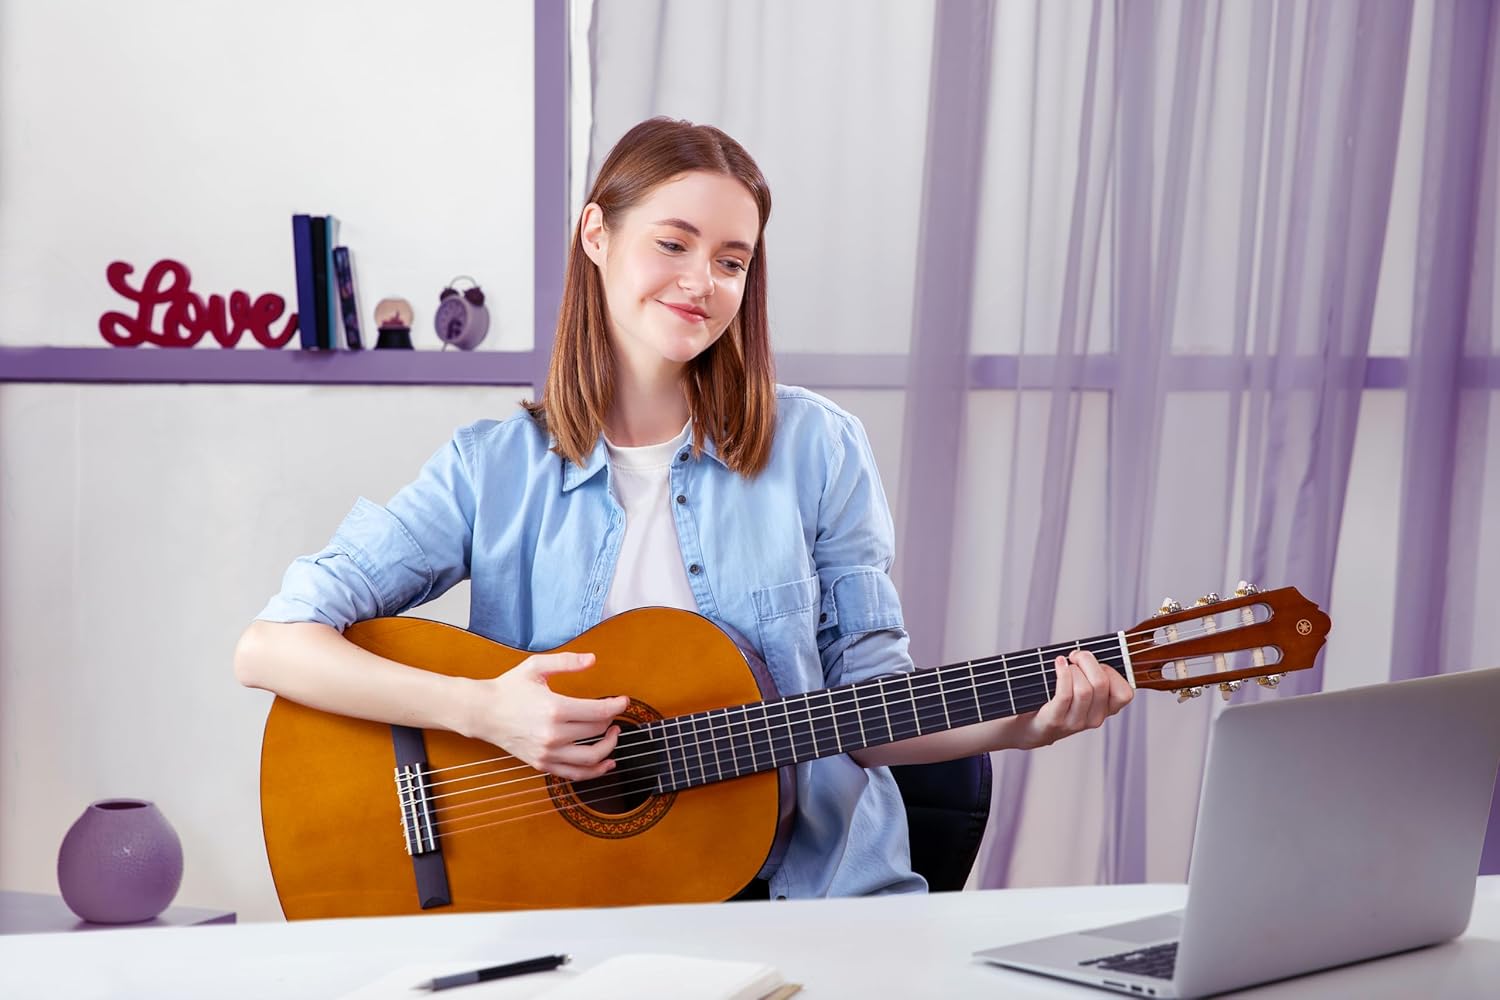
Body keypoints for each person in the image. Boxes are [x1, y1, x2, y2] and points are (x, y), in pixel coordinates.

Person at [234, 117, 1133, 900]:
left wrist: (1027, 722)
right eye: (674, 243)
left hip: (810, 900)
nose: (702, 282)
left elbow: (867, 707)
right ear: (597, 234)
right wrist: (484, 710)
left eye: (731, 260)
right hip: (578, 910)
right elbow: (271, 645)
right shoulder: (489, 470)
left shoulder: (820, 449)